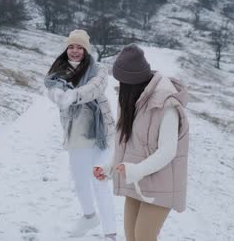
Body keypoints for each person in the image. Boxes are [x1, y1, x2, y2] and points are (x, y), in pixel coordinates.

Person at [93, 44, 189, 241]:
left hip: (162, 183)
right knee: (132, 237)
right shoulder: (131, 99)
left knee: (143, 237)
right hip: (137, 179)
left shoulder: (165, 104)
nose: (121, 88)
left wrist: (137, 170)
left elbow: (168, 151)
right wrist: (110, 168)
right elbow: (127, 143)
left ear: (134, 81)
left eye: (123, 82)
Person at [45, 30, 118, 240]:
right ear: (66, 48)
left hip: (99, 131)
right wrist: (57, 94)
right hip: (76, 132)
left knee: (99, 180)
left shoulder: (98, 69)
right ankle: (89, 216)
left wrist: (74, 95)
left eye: (79, 47)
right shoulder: (58, 71)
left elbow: (96, 88)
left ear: (86, 49)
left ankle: (110, 233)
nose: (75, 51)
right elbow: (52, 88)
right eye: (71, 46)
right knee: (79, 181)